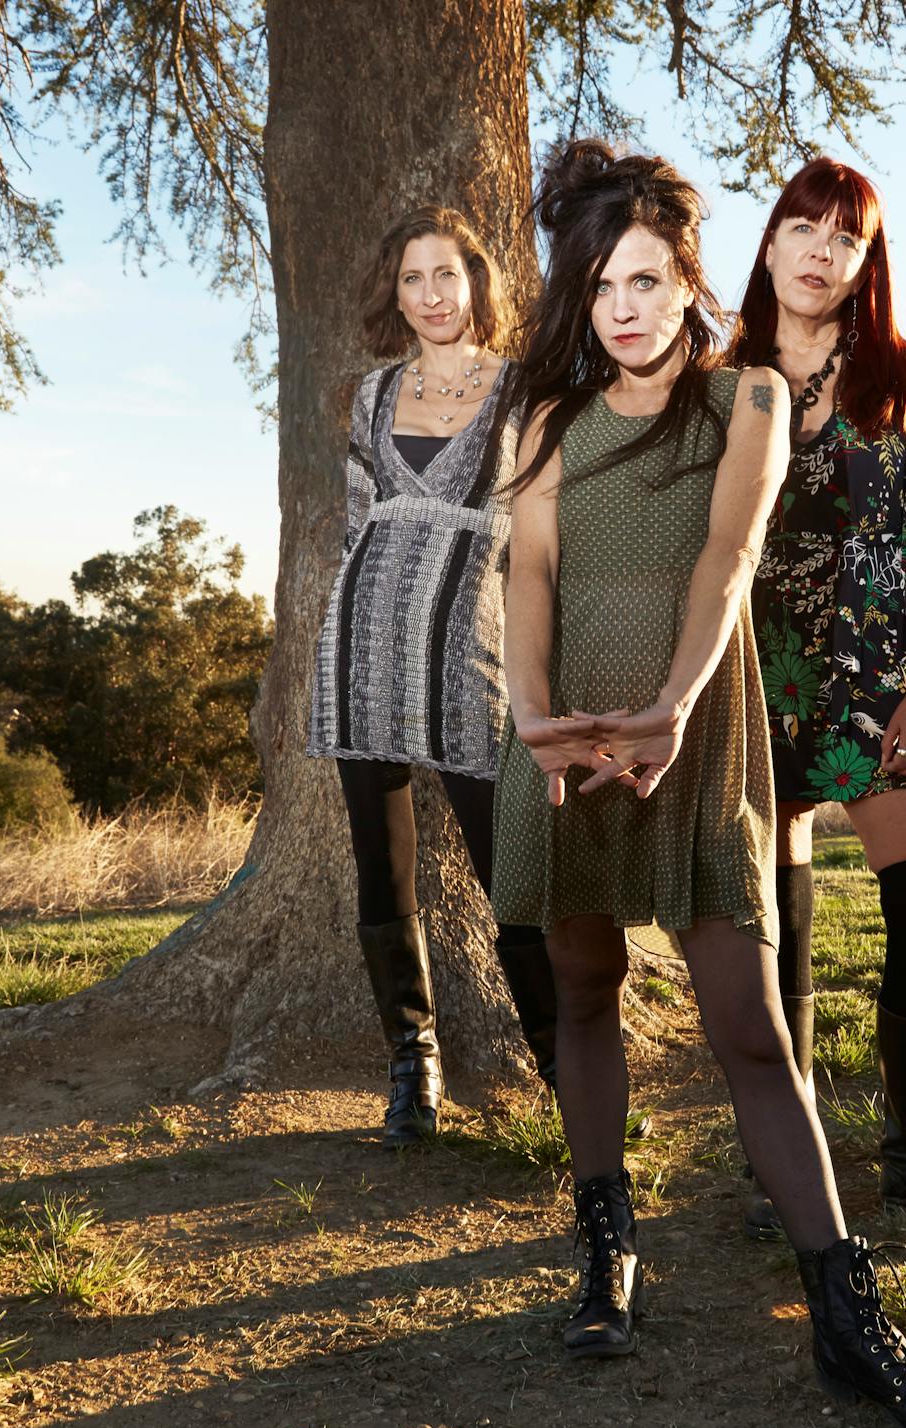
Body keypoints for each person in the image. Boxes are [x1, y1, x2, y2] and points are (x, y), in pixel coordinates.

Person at [493, 139, 906, 1428]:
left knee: (750, 1028)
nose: (626, 307)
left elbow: (725, 562)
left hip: (696, 727)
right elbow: (529, 577)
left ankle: (848, 1320)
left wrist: (670, 704)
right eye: (601, 283)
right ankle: (607, 1250)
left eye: (649, 279)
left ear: (689, 278)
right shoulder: (542, 414)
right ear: (576, 294)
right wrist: (534, 718)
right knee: (586, 993)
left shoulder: (749, 403)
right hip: (558, 731)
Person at [727, 158, 906, 1236]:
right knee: (778, 925)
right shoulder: (720, 374)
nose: (818, 251)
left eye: (843, 239)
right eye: (801, 227)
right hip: (756, 676)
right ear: (768, 243)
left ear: (863, 262)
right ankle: (784, 1170)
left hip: (883, 679)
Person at [305, 207, 558, 1147]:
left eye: (445, 275)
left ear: (476, 282)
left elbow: (539, 534)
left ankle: (565, 1063)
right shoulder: (369, 395)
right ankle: (412, 1063)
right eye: (412, 280)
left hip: (469, 651)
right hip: (362, 645)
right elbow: (358, 520)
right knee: (384, 865)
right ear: (395, 294)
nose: (431, 296)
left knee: (512, 870)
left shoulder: (526, 390)